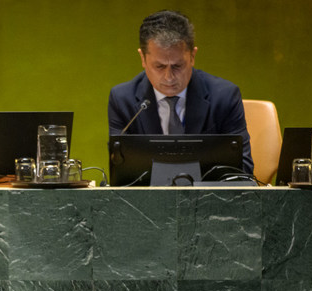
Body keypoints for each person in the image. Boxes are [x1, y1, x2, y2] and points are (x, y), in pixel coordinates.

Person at [108, 10, 254, 176]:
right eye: (160, 66)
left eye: (177, 66)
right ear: (143, 58)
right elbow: (120, 172)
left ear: (192, 56)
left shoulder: (225, 96)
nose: (169, 77)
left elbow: (243, 169)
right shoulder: (123, 100)